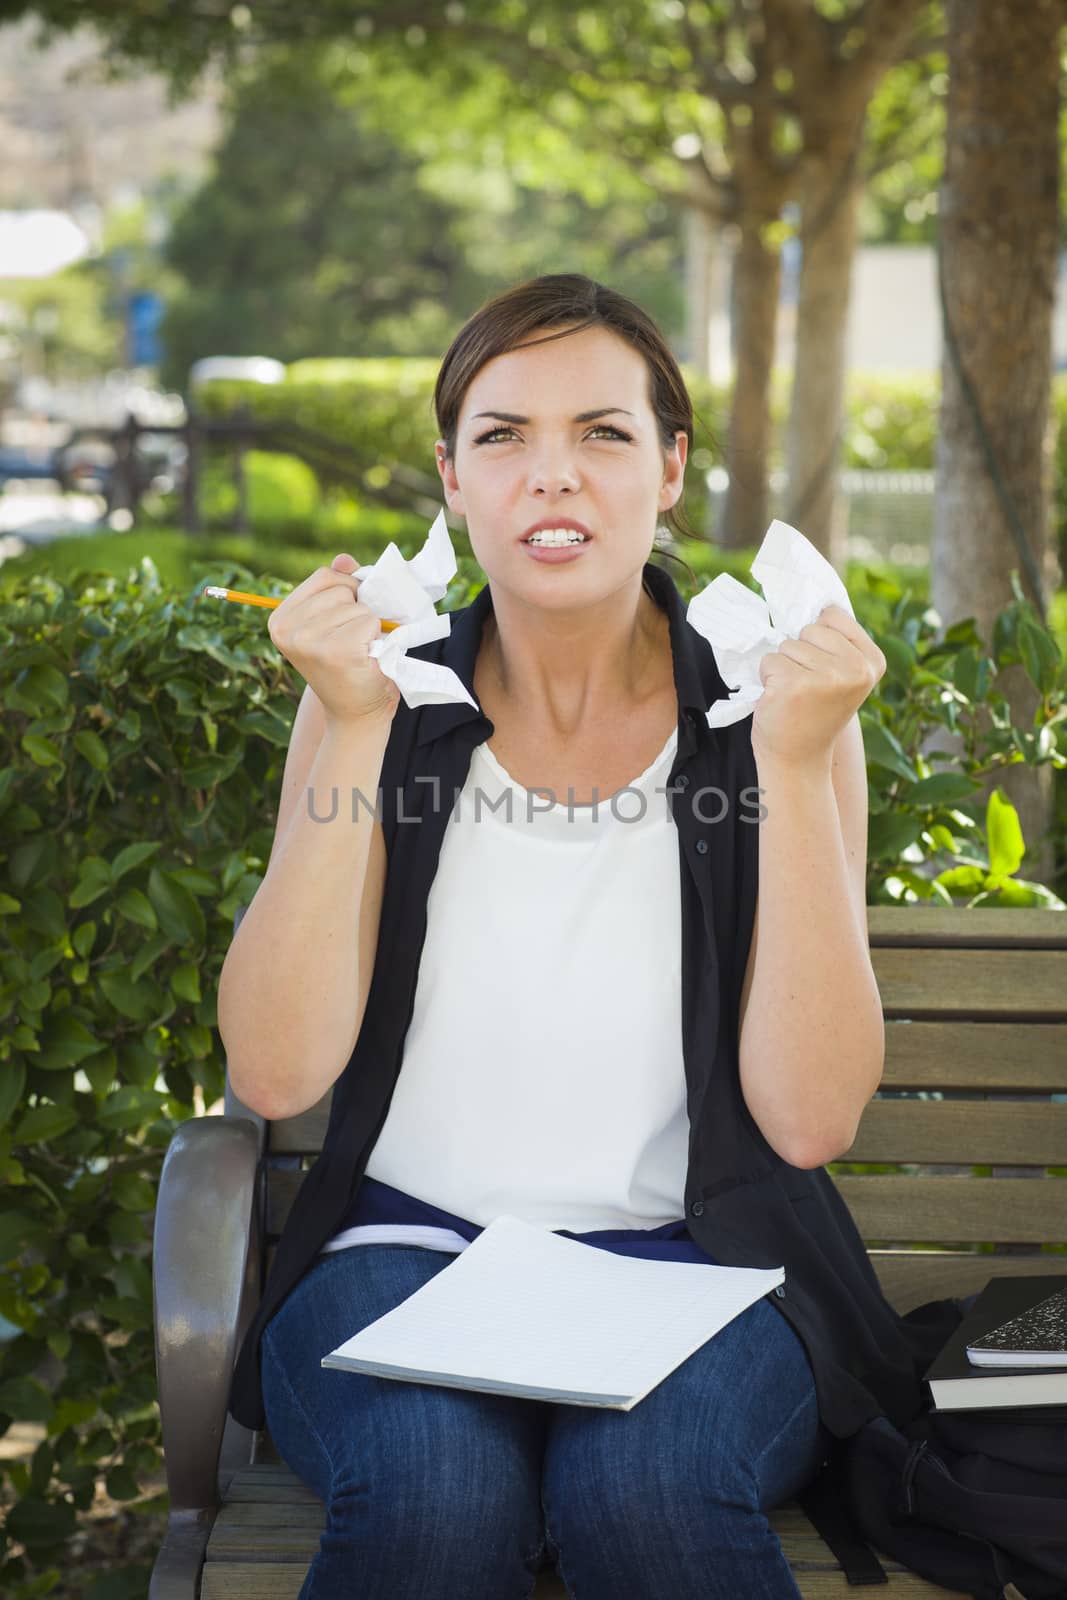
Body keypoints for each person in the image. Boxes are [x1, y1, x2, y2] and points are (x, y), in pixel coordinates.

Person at [219, 273, 921, 1600]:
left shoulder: (778, 709)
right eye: (504, 437)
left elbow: (812, 1116)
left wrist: (800, 762)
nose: (554, 477)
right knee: (434, 1494)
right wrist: (354, 727)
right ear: (452, 480)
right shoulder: (379, 701)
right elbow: (274, 1073)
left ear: (669, 470)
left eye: (602, 434)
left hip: (698, 1272)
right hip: (399, 1255)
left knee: (652, 1493)